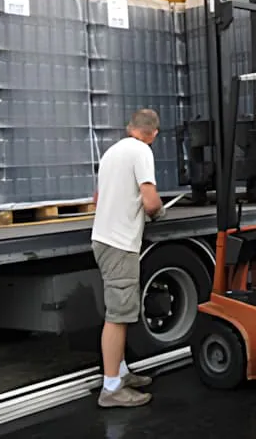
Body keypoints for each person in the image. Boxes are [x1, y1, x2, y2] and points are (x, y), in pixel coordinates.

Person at [91, 109, 166, 408]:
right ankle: (111, 389)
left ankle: (120, 372)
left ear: (129, 127)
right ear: (154, 134)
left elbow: (97, 199)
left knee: (119, 311)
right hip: (120, 244)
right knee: (118, 316)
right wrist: (159, 212)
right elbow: (150, 200)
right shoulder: (141, 152)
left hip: (104, 239)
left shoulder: (112, 152)